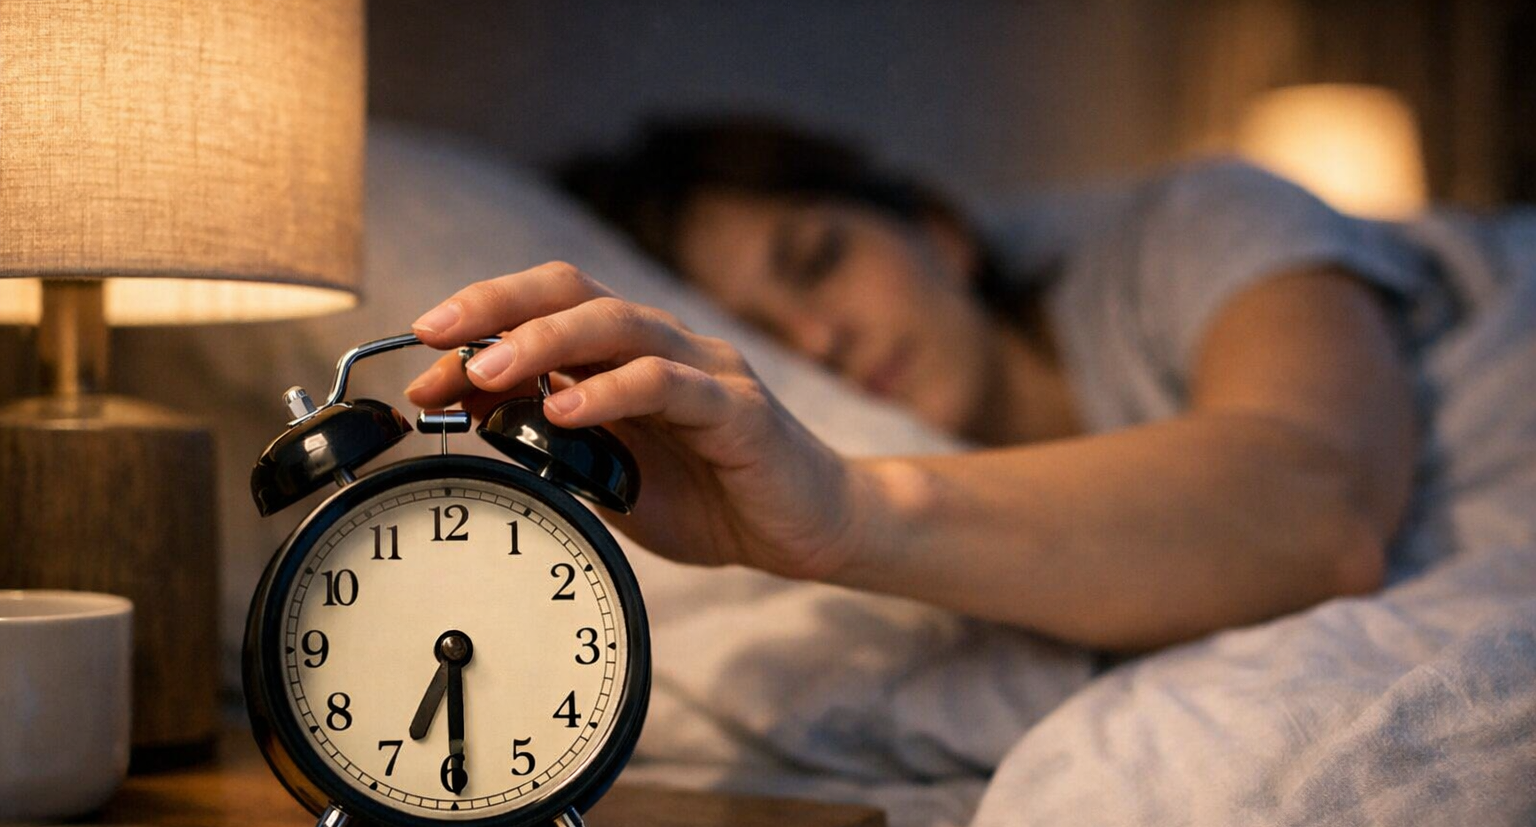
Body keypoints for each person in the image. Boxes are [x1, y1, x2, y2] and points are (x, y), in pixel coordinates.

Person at [403, 117, 1426, 652]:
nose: (818, 337)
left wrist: (855, 507)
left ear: (936, 227)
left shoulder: (1209, 220)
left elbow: (1320, 506)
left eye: (816, 260)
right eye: (770, 341)